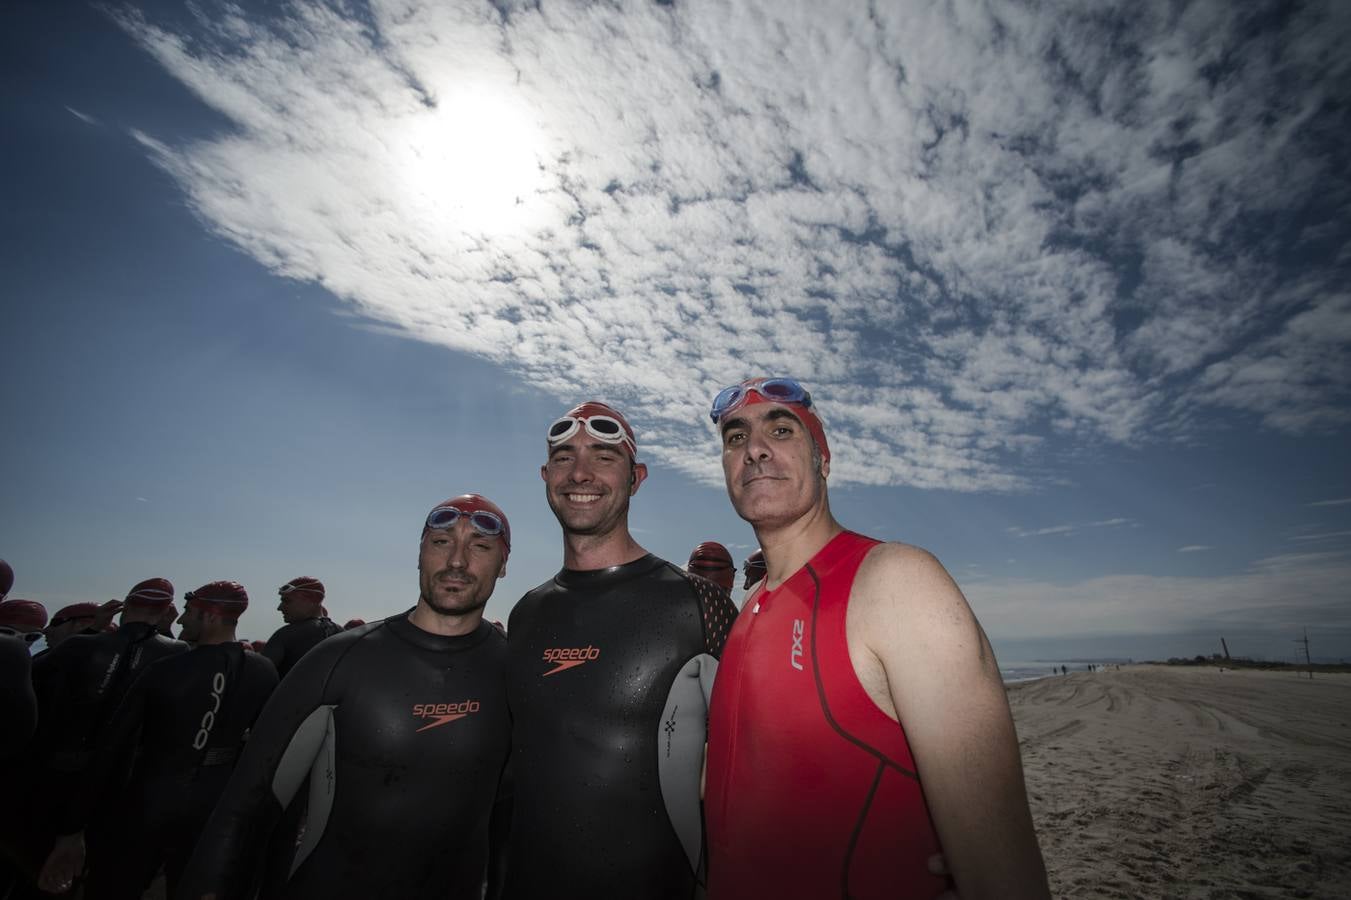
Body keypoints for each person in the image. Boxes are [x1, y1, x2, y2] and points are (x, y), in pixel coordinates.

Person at [703, 377, 1050, 899]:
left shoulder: (896, 581)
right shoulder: (751, 608)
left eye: (781, 429)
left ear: (823, 458)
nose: (754, 449)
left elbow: (1004, 874)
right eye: (736, 438)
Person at [178, 494, 513, 900]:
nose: (457, 561)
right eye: (441, 542)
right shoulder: (342, 658)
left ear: (504, 563)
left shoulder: (514, 670)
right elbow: (245, 806)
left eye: (479, 546)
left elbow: (520, 818)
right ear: (420, 554)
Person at [504, 401, 739, 899]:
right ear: (546, 475)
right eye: (565, 458)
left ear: (637, 477)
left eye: (604, 457)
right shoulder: (527, 613)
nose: (580, 473)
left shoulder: (700, 604)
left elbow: (762, 767)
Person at [37, 581, 279, 898]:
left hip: (150, 797)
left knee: (114, 888)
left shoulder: (166, 669)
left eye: (189, 613)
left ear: (209, 616)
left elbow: (112, 749)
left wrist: (72, 828)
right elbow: (264, 747)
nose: (180, 621)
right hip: (214, 804)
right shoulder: (264, 671)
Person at [262, 577, 341, 679]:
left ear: (313, 600)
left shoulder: (286, 635)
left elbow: (258, 677)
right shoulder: (341, 633)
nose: (280, 607)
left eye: (287, 601)